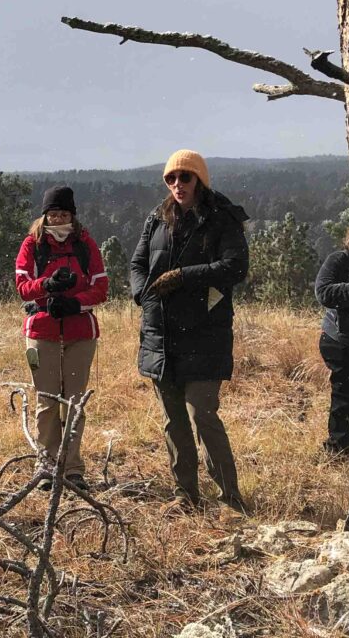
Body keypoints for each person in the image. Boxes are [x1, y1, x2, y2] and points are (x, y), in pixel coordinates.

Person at [129, 150, 249, 512]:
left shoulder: (221, 217)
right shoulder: (157, 217)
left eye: (186, 177)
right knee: (174, 421)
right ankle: (186, 497)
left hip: (204, 335)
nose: (178, 185)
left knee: (202, 415)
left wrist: (184, 276)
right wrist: (142, 295)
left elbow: (235, 267)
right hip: (161, 335)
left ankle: (231, 499)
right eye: (171, 178)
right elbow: (137, 262)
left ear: (200, 179)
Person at [15, 186, 108, 492]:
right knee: (47, 400)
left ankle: (72, 467)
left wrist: (75, 303)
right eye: (53, 213)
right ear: (44, 215)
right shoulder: (33, 245)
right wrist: (48, 286)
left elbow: (100, 288)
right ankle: (47, 463)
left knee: (75, 402)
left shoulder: (85, 245)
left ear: (72, 215)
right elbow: (23, 286)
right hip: (42, 331)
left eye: (63, 213)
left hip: (80, 332)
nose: (58, 218)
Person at [314, 222, 349, 456]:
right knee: (345, 394)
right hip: (339, 340)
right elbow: (324, 293)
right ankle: (338, 449)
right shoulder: (340, 260)